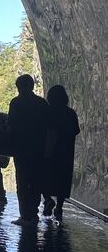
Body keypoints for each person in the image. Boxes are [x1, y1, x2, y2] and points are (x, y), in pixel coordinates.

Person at [7, 74, 49, 225]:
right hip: (38, 147)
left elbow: (10, 124)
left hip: (21, 148)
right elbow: (48, 126)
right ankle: (34, 212)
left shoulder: (16, 103)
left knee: (23, 181)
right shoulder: (42, 103)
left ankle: (25, 215)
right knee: (36, 180)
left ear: (19, 87)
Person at [41, 85, 80, 222]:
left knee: (45, 178)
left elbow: (48, 132)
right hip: (66, 152)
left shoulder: (48, 112)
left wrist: (47, 151)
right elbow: (76, 130)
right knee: (63, 179)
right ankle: (59, 207)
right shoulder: (70, 113)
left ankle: (47, 199)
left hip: (50, 152)